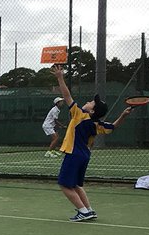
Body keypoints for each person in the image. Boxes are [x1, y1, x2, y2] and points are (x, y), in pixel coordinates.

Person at [51, 64, 133, 221]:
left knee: (64, 184)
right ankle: (89, 209)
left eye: (91, 102)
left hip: (74, 153)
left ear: (92, 111)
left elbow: (67, 96)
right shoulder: (97, 124)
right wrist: (123, 115)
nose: (89, 101)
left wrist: (60, 77)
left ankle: (83, 211)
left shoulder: (80, 114)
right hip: (84, 156)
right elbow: (113, 127)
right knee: (76, 185)